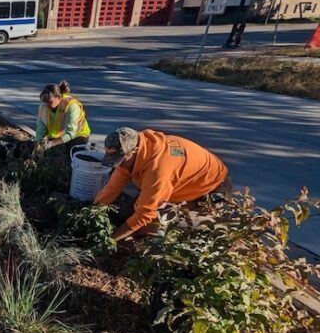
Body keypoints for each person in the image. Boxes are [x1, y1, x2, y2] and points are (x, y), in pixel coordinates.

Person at [95, 127, 230, 242]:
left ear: (134, 151)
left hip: (211, 189)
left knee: (153, 230)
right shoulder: (131, 156)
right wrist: (93, 212)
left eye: (120, 160)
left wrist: (110, 240)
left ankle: (204, 221)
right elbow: (111, 189)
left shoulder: (157, 170)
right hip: (176, 185)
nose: (119, 165)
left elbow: (144, 215)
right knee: (125, 215)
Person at [34, 80, 91, 151]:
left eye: (50, 102)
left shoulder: (71, 106)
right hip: (60, 135)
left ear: (59, 97)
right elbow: (40, 129)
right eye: (45, 102)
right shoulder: (43, 107)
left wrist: (52, 144)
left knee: (68, 155)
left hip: (78, 135)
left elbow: (71, 132)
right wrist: (36, 143)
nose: (47, 105)